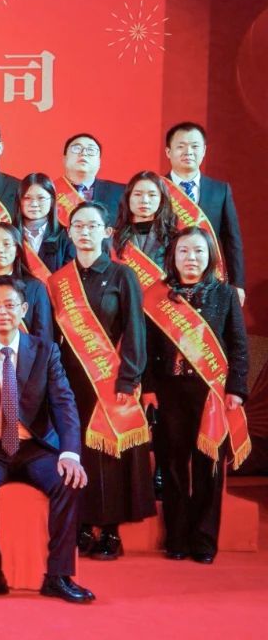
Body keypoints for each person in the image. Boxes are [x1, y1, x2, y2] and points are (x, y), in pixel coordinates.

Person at [0, 276, 94, 603]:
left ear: (24, 309)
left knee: (68, 480)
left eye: (9, 305)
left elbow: (64, 405)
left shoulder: (45, 351)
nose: (2, 312)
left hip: (34, 449)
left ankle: (59, 576)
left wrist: (70, 453)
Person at [146, 227, 249, 564]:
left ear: (210, 257)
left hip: (211, 394)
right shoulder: (157, 296)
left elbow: (238, 345)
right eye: (184, 251)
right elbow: (146, 347)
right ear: (173, 257)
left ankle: (203, 541)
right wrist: (149, 388)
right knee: (172, 466)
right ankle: (176, 538)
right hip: (169, 392)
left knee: (209, 467)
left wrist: (236, 388)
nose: (191, 258)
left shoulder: (225, 295)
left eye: (198, 251)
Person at [57, 202, 152, 560]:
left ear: (107, 232)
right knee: (77, 452)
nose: (85, 232)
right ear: (69, 232)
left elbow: (135, 330)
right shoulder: (59, 281)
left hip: (111, 380)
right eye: (78, 226)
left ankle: (110, 531)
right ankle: (81, 524)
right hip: (72, 382)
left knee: (110, 456)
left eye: (92, 225)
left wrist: (129, 378)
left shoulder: (122, 275)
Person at [165, 122, 244, 303]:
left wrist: (237, 283)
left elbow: (232, 240)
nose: (188, 152)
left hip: (210, 281)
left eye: (194, 146)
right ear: (168, 152)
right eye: (181, 146)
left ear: (204, 151)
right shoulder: (156, 189)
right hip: (165, 281)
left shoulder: (220, 190)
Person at [0, 222, 54, 342]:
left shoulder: (35, 288)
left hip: (26, 353)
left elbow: (44, 338)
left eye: (6, 244)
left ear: (17, 250)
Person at [113, 170, 177, 267]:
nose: (144, 200)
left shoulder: (172, 238)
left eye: (152, 195)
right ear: (128, 198)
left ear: (162, 200)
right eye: (138, 194)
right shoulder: (114, 237)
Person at [17, 173, 74, 275]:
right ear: (19, 201)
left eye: (41, 198)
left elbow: (70, 275)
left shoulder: (67, 236)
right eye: (27, 198)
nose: (34, 204)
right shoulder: (9, 234)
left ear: (52, 201)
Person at [60, 133, 124, 220]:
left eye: (91, 150)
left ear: (99, 162)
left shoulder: (121, 192)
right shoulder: (49, 192)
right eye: (77, 148)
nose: (83, 153)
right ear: (64, 159)